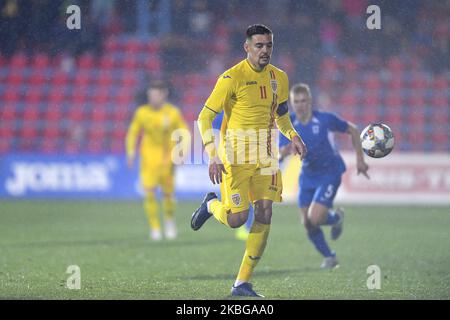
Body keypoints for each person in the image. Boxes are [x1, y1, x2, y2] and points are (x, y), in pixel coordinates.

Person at [191, 24, 307, 297]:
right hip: (236, 158)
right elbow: (204, 117)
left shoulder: (280, 77)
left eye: (268, 45)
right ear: (247, 47)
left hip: (266, 156)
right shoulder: (231, 78)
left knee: (265, 211)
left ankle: (242, 283)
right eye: (259, 45)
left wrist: (293, 135)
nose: (265, 50)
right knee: (237, 219)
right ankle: (211, 205)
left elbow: (280, 115)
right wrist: (212, 154)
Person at [279, 83, 369, 269]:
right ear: (291, 103)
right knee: (307, 222)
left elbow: (352, 129)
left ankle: (335, 218)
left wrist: (360, 160)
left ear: (310, 101)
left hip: (330, 172)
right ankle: (330, 257)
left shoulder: (325, 119)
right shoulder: (288, 123)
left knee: (316, 218)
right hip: (308, 174)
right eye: (296, 101)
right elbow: (280, 152)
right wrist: (286, 150)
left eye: (304, 101)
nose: (301, 105)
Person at [126, 81, 188, 241]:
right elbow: (133, 132)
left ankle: (169, 220)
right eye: (150, 95)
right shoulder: (142, 112)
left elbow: (185, 132)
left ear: (164, 94)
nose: (152, 98)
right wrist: (131, 152)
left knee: (168, 195)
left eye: (155, 95)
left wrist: (182, 152)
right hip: (148, 160)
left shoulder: (173, 113)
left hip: (168, 161)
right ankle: (154, 227)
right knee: (149, 194)